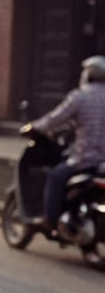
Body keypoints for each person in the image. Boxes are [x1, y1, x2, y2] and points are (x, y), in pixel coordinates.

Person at [29, 55, 105, 230]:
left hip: (85, 160)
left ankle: (49, 219)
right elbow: (72, 122)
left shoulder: (80, 97)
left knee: (55, 176)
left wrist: (34, 127)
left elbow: (56, 118)